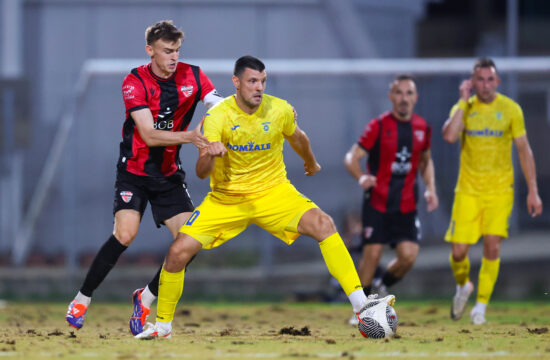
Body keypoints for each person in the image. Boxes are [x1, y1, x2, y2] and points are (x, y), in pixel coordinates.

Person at [134, 55, 395, 339]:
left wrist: (311, 162)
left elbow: (299, 137)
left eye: (262, 81)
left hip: (274, 193)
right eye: (252, 81)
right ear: (236, 83)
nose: (259, 87)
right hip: (227, 200)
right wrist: (211, 152)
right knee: (177, 252)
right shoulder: (217, 117)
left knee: (324, 224)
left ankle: (362, 308)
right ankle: (162, 327)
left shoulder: (279, 108)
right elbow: (200, 172)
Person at [65, 20, 223, 335]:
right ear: (150, 50)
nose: (174, 57)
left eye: (177, 50)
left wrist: (251, 112)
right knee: (125, 234)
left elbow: (219, 105)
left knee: (190, 243)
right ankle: (82, 299)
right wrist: (192, 137)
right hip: (134, 172)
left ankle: (146, 296)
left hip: (168, 175)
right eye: (167, 51)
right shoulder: (134, 81)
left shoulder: (194, 75)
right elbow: (149, 135)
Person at [442, 57, 543, 325]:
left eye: (490, 79)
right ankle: (463, 286)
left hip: (500, 191)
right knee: (458, 252)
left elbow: (524, 150)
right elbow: (450, 136)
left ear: (497, 82)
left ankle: (481, 307)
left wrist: (533, 190)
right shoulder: (464, 107)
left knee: (492, 245)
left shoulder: (511, 109)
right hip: (468, 191)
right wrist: (463, 101)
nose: (485, 85)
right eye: (480, 79)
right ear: (472, 82)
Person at [344, 74, 438, 325]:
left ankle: (381, 286)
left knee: (408, 256)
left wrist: (431, 188)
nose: (404, 98)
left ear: (415, 98)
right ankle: (362, 310)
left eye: (409, 93)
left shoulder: (422, 128)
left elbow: (426, 161)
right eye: (399, 93)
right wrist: (362, 178)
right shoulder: (378, 126)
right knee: (371, 254)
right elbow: (351, 158)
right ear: (391, 96)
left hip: (406, 205)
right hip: (377, 202)